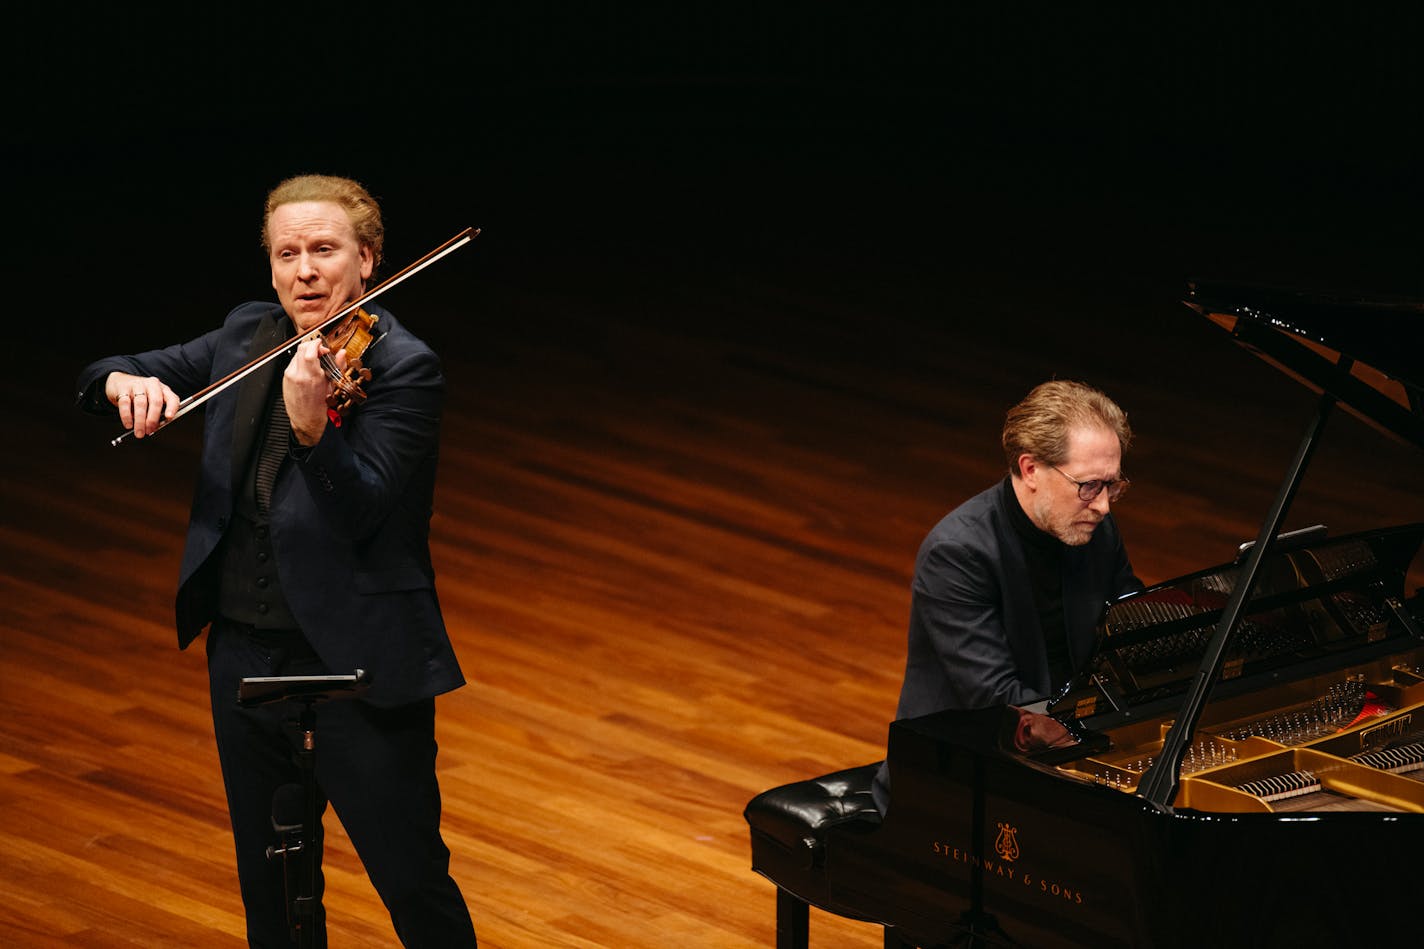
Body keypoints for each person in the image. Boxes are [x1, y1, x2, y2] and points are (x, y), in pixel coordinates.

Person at [76, 175, 478, 947]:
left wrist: (314, 430)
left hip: (358, 665)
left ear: (367, 258)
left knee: (411, 881)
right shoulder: (244, 338)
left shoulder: (403, 368)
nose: (305, 270)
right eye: (286, 253)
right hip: (245, 659)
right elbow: (104, 371)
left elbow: (363, 509)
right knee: (272, 884)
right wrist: (124, 382)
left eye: (324, 250)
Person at [872, 380, 1142, 812]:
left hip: (1064, 750)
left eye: (1112, 486)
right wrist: (1095, 737)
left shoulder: (1095, 530)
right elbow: (996, 697)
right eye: (1090, 486)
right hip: (961, 777)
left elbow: (1133, 627)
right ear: (1031, 468)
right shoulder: (958, 553)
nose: (1104, 506)